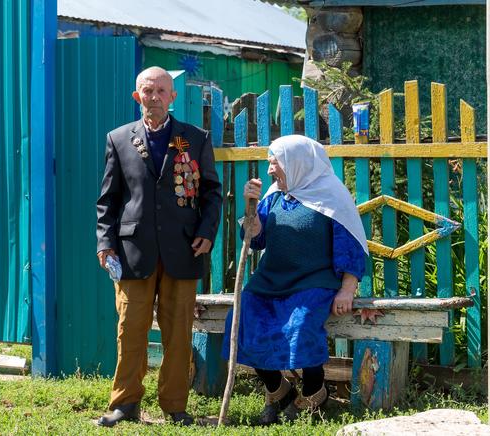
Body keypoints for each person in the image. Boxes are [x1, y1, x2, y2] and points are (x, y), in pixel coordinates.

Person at [96, 66, 222, 427]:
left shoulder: (195, 138)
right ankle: (125, 404)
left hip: (183, 250)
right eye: (147, 91)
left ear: (172, 97)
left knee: (179, 333)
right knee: (130, 329)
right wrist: (105, 243)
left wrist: (207, 231)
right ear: (137, 96)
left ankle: (174, 406)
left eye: (160, 91)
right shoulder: (119, 139)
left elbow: (212, 192)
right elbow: (108, 199)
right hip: (133, 252)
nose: (153, 98)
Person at [222, 134, 369, 425]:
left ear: (296, 162)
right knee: (241, 319)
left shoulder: (333, 196)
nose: (269, 171)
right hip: (270, 280)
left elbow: (352, 246)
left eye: (274, 163)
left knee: (300, 328)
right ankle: (279, 391)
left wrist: (347, 289)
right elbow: (254, 238)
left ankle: (316, 394)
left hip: (313, 282)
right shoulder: (274, 195)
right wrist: (250, 206)